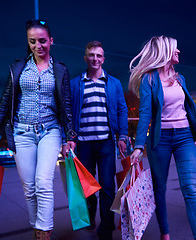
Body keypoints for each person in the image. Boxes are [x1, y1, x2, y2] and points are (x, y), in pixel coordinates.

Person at [0, 19, 77, 240]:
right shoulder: (18, 67)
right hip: (21, 133)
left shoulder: (60, 69)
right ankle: (37, 228)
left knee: (43, 182)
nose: (38, 46)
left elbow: (66, 104)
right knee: (29, 188)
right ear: (28, 42)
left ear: (51, 41)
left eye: (43, 41)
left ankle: (44, 233)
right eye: (33, 41)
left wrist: (70, 135)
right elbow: (6, 100)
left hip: (50, 131)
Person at [129, 36, 196, 240]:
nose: (179, 52)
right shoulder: (149, 79)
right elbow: (145, 112)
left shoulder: (180, 78)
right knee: (160, 189)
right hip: (159, 139)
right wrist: (138, 146)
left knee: (191, 189)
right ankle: (165, 233)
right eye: (175, 49)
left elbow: (189, 109)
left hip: (184, 138)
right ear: (165, 52)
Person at [62, 41, 128, 240]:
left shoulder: (114, 83)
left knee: (108, 186)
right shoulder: (75, 83)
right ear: (85, 58)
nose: (95, 59)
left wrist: (122, 136)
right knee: (87, 187)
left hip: (107, 142)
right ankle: (89, 218)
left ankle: (106, 229)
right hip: (83, 144)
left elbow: (122, 109)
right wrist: (70, 138)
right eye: (91, 55)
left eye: (99, 55)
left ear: (103, 59)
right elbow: (68, 114)